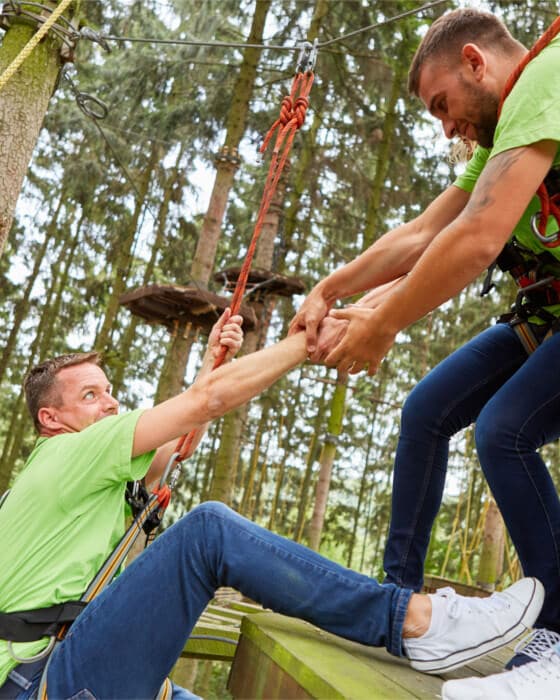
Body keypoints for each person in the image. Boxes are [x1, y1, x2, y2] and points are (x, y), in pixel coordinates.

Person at [0, 310, 544, 699]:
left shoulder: (73, 473)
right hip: (45, 683)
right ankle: (413, 622)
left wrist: (214, 362)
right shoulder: (65, 453)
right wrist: (305, 345)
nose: (111, 403)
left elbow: (177, 441)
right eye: (90, 396)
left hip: (61, 674)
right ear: (52, 419)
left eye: (110, 390)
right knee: (208, 531)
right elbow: (202, 405)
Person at [289, 7, 560, 696]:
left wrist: (384, 326)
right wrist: (337, 287)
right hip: (549, 316)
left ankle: (559, 626)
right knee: (427, 409)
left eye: (444, 104)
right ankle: (397, 603)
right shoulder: (505, 134)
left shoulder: (546, 79)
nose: (446, 127)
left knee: (504, 432)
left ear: (477, 62)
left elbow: (477, 240)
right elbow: (424, 234)